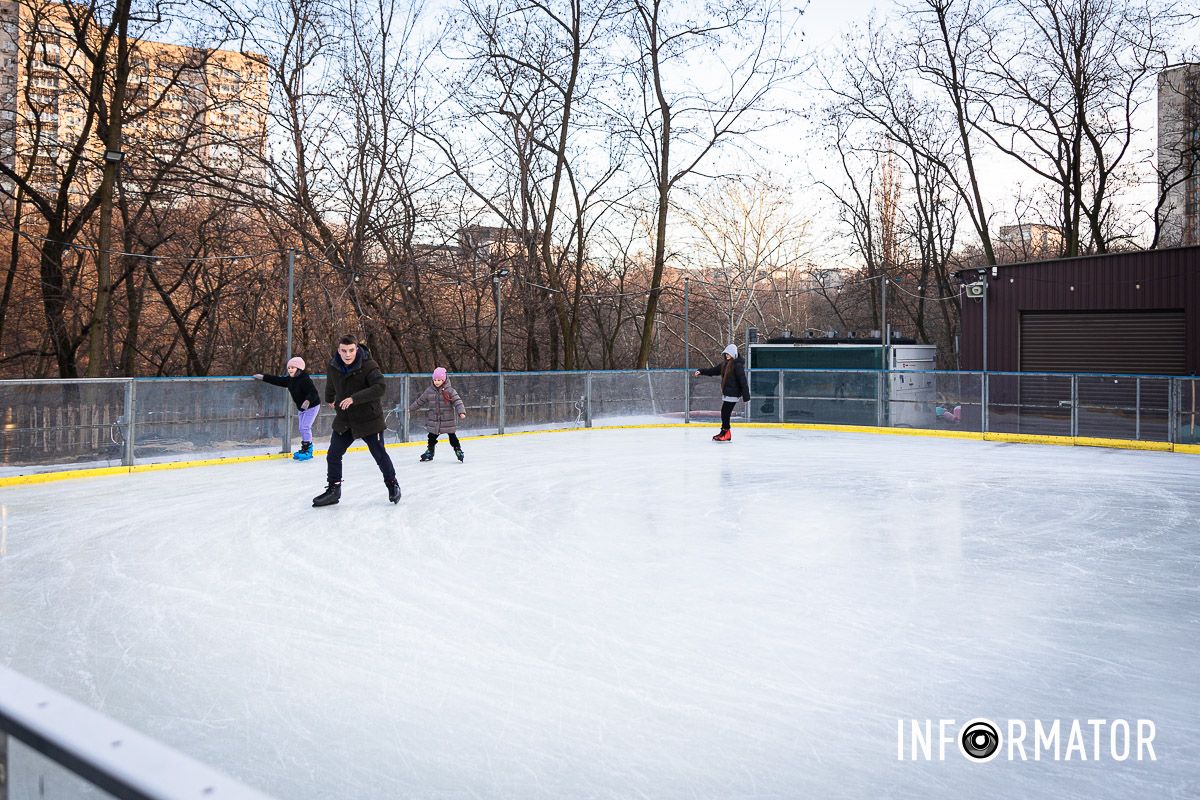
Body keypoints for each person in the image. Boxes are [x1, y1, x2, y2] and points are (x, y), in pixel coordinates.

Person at [312, 336, 401, 506]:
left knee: (379, 454)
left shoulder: (369, 365)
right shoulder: (334, 365)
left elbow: (379, 387)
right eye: (343, 350)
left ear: (356, 349)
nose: (347, 354)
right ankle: (334, 490)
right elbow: (332, 382)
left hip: (369, 418)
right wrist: (329, 397)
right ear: (339, 350)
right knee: (333, 454)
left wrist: (354, 398)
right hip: (345, 418)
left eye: (351, 350)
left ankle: (392, 485)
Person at [254, 356, 321, 460]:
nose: (290, 370)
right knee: (301, 428)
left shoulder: (305, 379)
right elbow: (277, 380)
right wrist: (263, 377)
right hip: (302, 408)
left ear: (298, 369)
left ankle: (308, 451)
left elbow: (313, 392)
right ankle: (305, 449)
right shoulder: (290, 379)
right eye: (289, 368)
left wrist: (307, 401)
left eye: (293, 368)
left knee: (304, 427)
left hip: (312, 406)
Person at [693, 343, 750, 442]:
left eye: (729, 354)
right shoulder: (725, 364)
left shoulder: (737, 365)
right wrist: (701, 371)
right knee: (724, 413)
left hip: (733, 392)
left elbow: (742, 380)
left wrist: (746, 395)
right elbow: (713, 370)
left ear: (733, 354)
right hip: (728, 392)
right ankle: (724, 432)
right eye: (726, 354)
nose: (727, 355)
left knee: (725, 413)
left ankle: (726, 433)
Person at [409, 367, 467, 462]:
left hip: (448, 419)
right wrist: (410, 409)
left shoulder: (450, 390)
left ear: (444, 380)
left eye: (439, 380)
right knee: (431, 437)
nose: (437, 382)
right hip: (434, 420)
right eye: (435, 380)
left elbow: (458, 401)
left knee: (452, 436)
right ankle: (430, 452)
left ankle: (458, 450)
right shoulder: (429, 391)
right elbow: (420, 401)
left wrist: (461, 412)